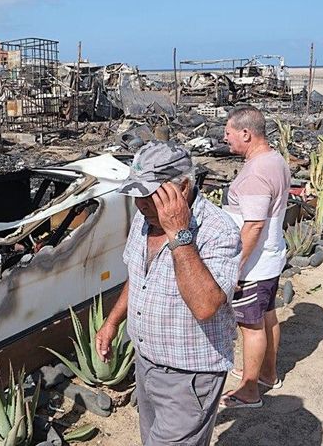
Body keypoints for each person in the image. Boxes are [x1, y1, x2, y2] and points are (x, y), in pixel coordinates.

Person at [95, 141, 241, 445]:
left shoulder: (218, 231)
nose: (141, 204)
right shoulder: (145, 219)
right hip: (146, 362)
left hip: (189, 376)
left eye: (149, 195)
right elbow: (139, 275)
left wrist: (178, 234)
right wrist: (112, 322)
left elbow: (205, 306)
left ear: (183, 188)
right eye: (136, 195)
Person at [220, 106, 291, 409]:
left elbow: (254, 224)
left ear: (246, 133)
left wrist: (234, 268)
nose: (225, 139)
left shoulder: (256, 173)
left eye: (228, 133)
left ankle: (249, 390)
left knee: (250, 326)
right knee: (267, 315)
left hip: (253, 264)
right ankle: (267, 373)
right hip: (271, 257)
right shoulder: (275, 160)